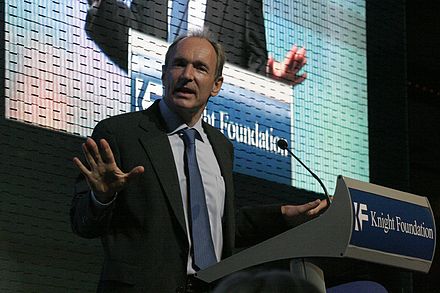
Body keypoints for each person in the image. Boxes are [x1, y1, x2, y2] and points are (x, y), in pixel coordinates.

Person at [71, 31, 327, 292]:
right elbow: (82, 224)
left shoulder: (221, 146)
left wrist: (282, 216)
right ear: (163, 73)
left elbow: (218, 227)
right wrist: (102, 198)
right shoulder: (120, 134)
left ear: (216, 85)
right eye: (179, 64)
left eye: (200, 68)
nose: (187, 75)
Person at [85, 0, 307, 85]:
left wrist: (270, 82)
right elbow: (130, 47)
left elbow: (254, 64)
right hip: (152, 131)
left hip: (217, 136)